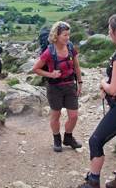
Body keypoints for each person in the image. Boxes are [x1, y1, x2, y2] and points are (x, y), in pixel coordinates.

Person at [77, 12, 116, 188]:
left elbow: (114, 89)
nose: (108, 34)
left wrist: (103, 83)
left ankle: (93, 182)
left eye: (109, 30)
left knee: (95, 141)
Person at [33, 21, 83, 152]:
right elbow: (36, 69)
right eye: (65, 35)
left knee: (73, 116)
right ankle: (56, 139)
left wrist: (80, 83)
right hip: (55, 88)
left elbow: (77, 66)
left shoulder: (71, 47)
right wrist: (51, 74)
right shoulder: (49, 52)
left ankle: (68, 137)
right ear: (57, 36)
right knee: (56, 115)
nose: (68, 38)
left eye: (68, 35)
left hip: (70, 85)